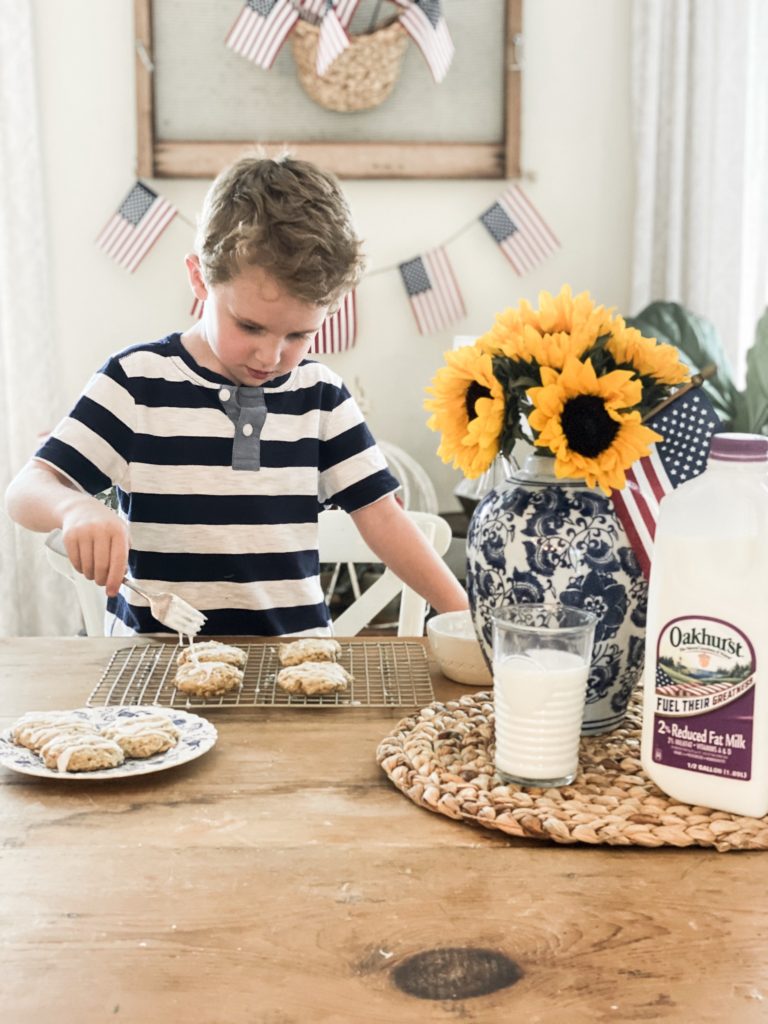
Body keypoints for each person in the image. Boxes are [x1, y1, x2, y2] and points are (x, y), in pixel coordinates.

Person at [5, 154, 468, 636]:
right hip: (157, 669)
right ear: (199, 278)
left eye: (299, 335)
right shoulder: (136, 382)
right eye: (250, 325)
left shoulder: (321, 397)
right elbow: (25, 491)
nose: (270, 356)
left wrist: (465, 620)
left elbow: (384, 521)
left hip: (295, 663)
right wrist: (74, 507)